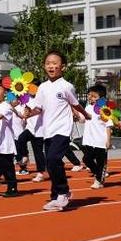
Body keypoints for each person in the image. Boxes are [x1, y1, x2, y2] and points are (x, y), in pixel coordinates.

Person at [25, 50, 92, 211]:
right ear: (44, 66)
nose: (51, 66)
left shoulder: (67, 86)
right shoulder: (42, 87)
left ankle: (64, 192)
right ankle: (56, 195)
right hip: (47, 130)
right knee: (51, 163)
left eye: (55, 63)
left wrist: (85, 114)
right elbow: (38, 108)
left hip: (62, 130)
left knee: (54, 159)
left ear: (63, 66)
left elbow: (75, 104)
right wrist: (28, 113)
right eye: (48, 63)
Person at [79, 84, 113, 189]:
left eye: (94, 96)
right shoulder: (88, 107)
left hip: (101, 141)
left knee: (100, 162)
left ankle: (99, 180)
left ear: (101, 98)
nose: (90, 97)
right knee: (86, 159)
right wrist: (75, 112)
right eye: (89, 95)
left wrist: (108, 140)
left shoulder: (104, 109)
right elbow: (82, 120)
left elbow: (108, 125)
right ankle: (99, 174)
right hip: (89, 140)